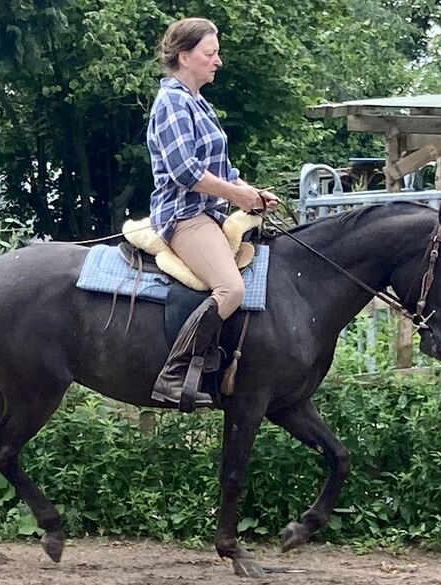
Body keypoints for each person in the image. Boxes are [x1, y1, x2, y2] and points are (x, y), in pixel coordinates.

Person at [147, 17, 279, 408]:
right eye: (211, 53)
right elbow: (186, 172)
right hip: (184, 216)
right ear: (185, 57)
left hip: (212, 214)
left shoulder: (197, 102)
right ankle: (174, 373)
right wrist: (237, 197)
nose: (218, 61)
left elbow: (221, 170)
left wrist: (251, 193)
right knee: (231, 288)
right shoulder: (171, 101)